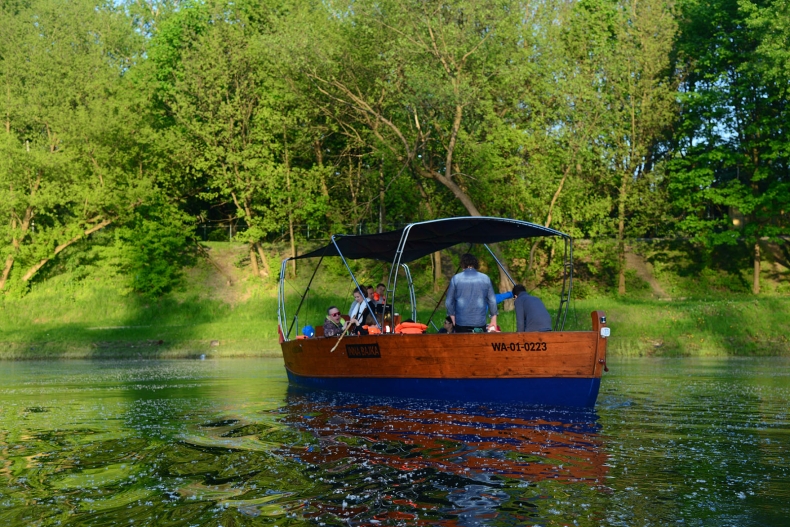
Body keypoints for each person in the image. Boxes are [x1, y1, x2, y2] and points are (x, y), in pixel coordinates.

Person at [445, 253, 497, 333]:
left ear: (462, 264)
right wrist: (493, 319)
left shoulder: (456, 279)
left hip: (461, 322)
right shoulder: (485, 278)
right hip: (479, 322)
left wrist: (452, 317)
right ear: (475, 264)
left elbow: (449, 302)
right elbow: (492, 301)